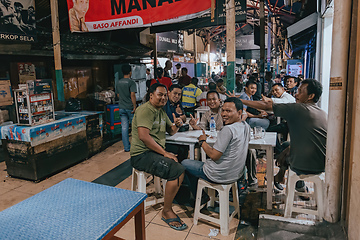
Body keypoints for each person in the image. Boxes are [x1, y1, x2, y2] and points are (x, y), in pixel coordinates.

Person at [235, 79, 327, 195]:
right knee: (286, 146)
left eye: (300, 92)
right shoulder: (322, 112)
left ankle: (288, 180)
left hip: (306, 165)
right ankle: (291, 182)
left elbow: (267, 105)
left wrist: (239, 101)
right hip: (322, 163)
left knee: (285, 148)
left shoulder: (298, 109)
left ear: (311, 96)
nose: (296, 94)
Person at [130, 83, 187, 231]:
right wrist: (164, 153)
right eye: (159, 94)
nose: (163, 98)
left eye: (164, 95)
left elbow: (172, 131)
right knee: (177, 169)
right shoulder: (145, 110)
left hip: (153, 152)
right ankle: (167, 211)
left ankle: (174, 192)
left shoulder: (161, 112)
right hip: (141, 155)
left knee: (180, 155)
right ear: (151, 96)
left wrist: (178, 124)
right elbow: (143, 136)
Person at [181, 97, 251, 201]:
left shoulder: (228, 129)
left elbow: (214, 156)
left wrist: (202, 142)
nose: (224, 114)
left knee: (184, 163)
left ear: (239, 112)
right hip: (235, 174)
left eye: (229, 111)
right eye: (223, 110)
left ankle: (200, 199)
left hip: (219, 174)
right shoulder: (245, 126)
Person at [115, 64, 137, 152]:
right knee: (134, 128)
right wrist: (134, 106)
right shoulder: (131, 82)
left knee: (124, 128)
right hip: (130, 108)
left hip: (121, 107)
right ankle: (136, 146)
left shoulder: (118, 82)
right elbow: (133, 95)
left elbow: (118, 95)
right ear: (130, 72)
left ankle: (127, 148)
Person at [164, 84, 188, 162]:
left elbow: (184, 119)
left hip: (176, 133)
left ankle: (181, 167)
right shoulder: (164, 103)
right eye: (175, 93)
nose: (177, 96)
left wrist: (180, 115)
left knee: (185, 147)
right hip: (165, 136)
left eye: (179, 94)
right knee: (179, 149)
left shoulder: (178, 103)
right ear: (169, 93)